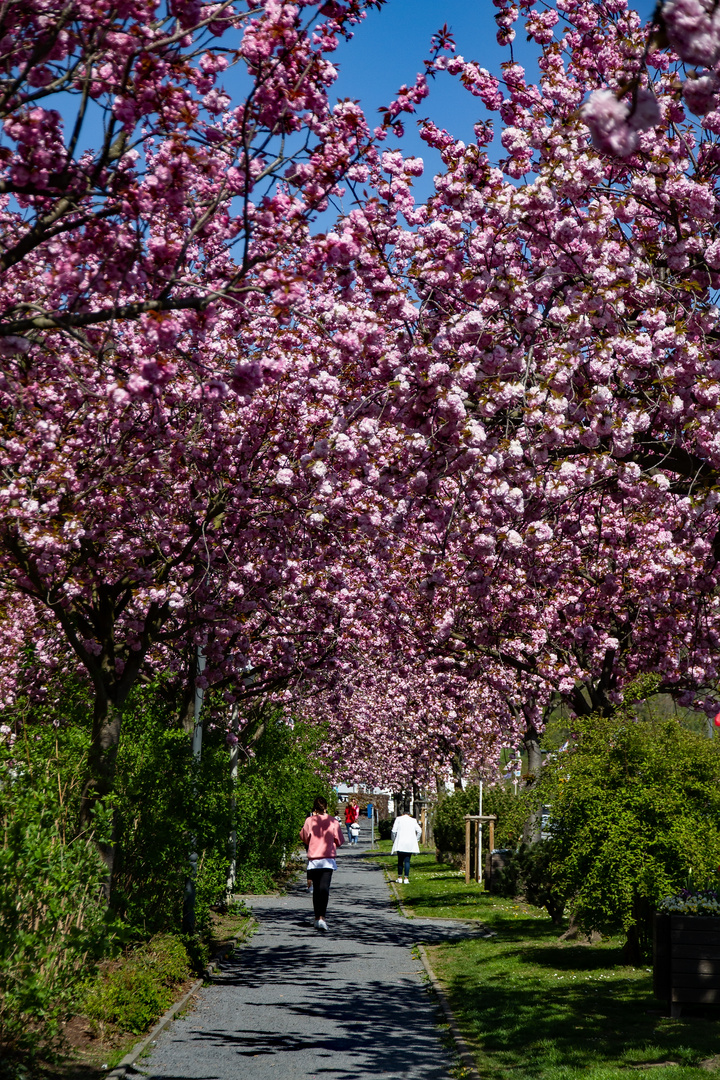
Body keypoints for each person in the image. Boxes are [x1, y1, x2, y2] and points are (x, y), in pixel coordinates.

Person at [300, 796, 344, 931]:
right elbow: (340, 841)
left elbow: (304, 837)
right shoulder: (333, 822)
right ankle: (322, 918)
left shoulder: (309, 821)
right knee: (324, 889)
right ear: (326, 807)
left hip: (314, 860)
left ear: (314, 808)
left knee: (317, 890)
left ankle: (316, 917)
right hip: (327, 860)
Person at [391, 807, 422, 884]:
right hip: (409, 843)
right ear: (409, 814)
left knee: (400, 860)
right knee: (407, 861)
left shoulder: (398, 819)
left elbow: (393, 831)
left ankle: (399, 877)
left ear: (402, 814)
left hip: (400, 842)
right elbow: (419, 831)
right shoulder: (413, 820)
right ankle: (406, 878)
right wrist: (416, 839)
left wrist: (394, 840)